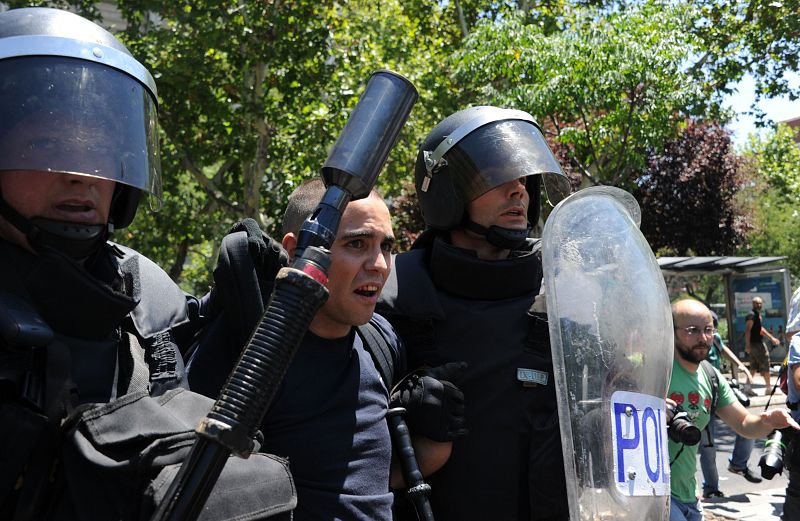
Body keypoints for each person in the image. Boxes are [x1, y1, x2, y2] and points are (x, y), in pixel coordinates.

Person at [0, 7, 294, 520]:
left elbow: (183, 409)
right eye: (47, 145)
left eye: (99, 152)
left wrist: (237, 317)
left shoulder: (142, 290)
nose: (82, 176)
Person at [189, 179, 461, 520]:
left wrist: (433, 434)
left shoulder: (381, 341)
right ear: (296, 249)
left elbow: (367, 481)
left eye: (386, 247)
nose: (378, 263)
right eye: (357, 243)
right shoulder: (251, 353)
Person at [377, 106, 573, 521]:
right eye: (499, 177)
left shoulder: (565, 289)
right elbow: (345, 444)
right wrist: (401, 405)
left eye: (523, 179)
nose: (518, 190)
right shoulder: (392, 295)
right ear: (447, 193)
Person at [667, 299, 798, 521]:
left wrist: (769, 421)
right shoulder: (658, 372)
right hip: (657, 494)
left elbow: (744, 424)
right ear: (671, 331)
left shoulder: (710, 376)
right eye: (692, 330)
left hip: (689, 494)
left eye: (708, 330)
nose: (703, 338)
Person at [700, 312, 760, 498]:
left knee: (748, 425)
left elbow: (724, 349)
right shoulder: (686, 348)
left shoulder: (715, 339)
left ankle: (738, 463)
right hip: (701, 396)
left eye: (710, 329)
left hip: (718, 390)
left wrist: (740, 365)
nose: (704, 337)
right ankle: (711, 488)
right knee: (707, 447)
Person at [745, 296, 780, 394]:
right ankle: (769, 388)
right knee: (765, 362)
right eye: (757, 303)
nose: (759, 305)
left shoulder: (757, 315)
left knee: (753, 366)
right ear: (753, 304)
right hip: (756, 344)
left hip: (756, 343)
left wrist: (771, 338)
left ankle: (747, 388)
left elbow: (760, 329)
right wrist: (747, 345)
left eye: (760, 303)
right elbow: (748, 330)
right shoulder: (751, 315)